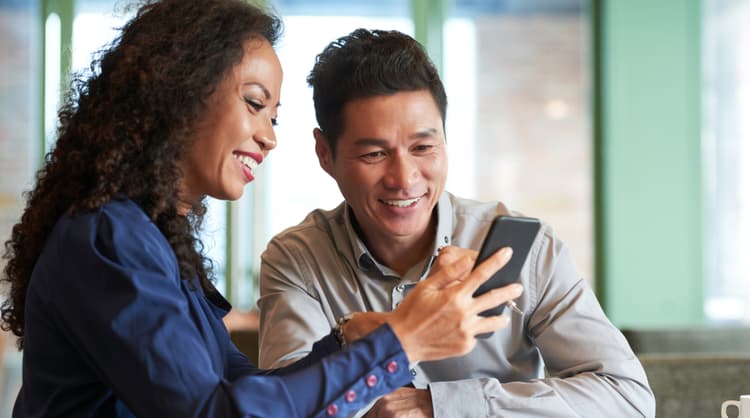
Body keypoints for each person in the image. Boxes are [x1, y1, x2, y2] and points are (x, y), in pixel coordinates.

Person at [0, 3, 522, 417]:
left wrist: (346, 342)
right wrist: (401, 343)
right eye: (254, 104)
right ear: (181, 93)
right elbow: (214, 413)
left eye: (273, 115)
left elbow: (243, 391)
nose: (270, 137)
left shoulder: (153, 242)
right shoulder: (107, 238)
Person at [257, 28, 656, 417]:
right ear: (325, 154)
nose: (405, 178)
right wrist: (369, 336)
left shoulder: (522, 248)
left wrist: (441, 406)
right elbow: (284, 406)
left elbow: (627, 398)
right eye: (375, 154)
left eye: (423, 147)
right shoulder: (298, 261)